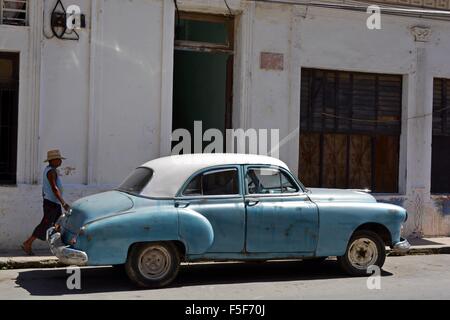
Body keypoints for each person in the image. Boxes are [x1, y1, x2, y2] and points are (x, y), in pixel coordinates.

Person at [21, 150, 71, 255]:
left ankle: (61, 247)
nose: (60, 161)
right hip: (51, 203)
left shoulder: (50, 170)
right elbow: (54, 188)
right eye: (58, 159)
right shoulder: (51, 172)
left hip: (54, 203)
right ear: (52, 160)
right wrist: (63, 203)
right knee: (45, 224)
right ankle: (28, 243)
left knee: (58, 225)